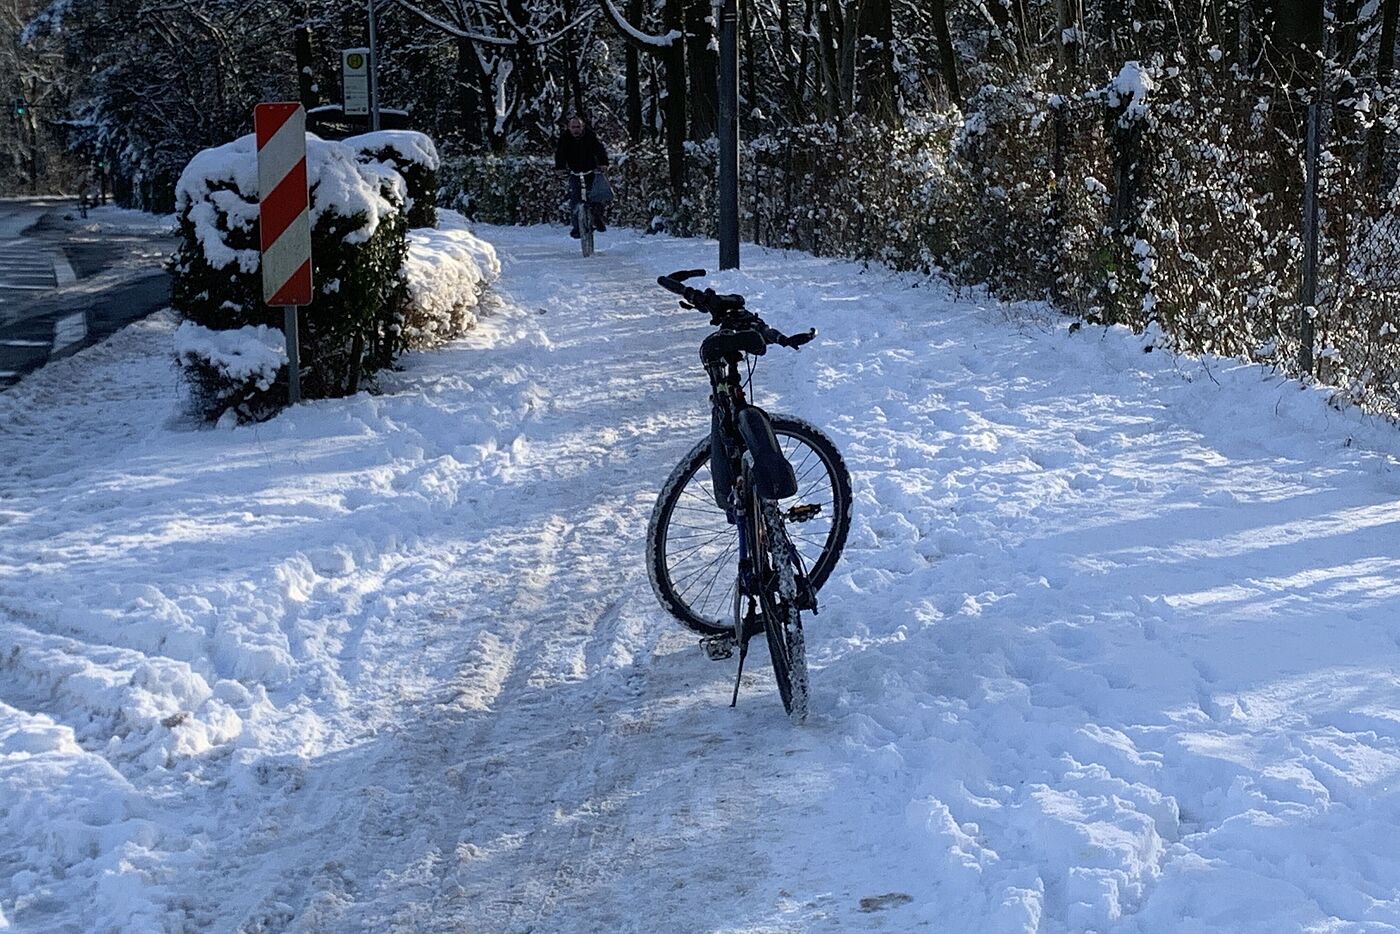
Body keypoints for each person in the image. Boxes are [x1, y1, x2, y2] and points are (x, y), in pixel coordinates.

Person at [553, 114, 609, 238]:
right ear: (569, 128)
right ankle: (577, 228)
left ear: (582, 127)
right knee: (575, 200)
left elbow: (599, 150)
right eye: (573, 127)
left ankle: (597, 218)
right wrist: (560, 168)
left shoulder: (590, 136)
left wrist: (603, 163)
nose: (576, 130)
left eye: (578, 127)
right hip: (574, 171)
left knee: (596, 196)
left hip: (590, 170)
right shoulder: (564, 139)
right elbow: (560, 154)